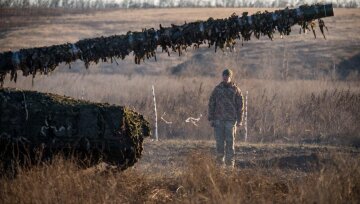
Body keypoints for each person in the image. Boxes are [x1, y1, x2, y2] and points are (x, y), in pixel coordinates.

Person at [208, 68, 244, 168]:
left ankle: (229, 167)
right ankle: (219, 167)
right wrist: (211, 118)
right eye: (224, 76)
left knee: (230, 143)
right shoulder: (217, 89)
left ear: (230, 77)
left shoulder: (235, 90)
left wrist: (240, 120)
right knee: (219, 144)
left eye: (227, 76)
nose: (225, 77)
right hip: (218, 120)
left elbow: (240, 106)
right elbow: (211, 103)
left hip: (231, 121)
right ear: (222, 76)